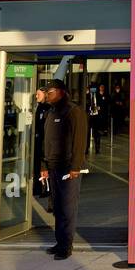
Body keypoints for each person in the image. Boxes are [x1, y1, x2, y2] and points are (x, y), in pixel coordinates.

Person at [39, 79, 87, 260]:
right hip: (53, 166)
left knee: (67, 208)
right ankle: (59, 242)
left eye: (50, 91)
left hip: (68, 168)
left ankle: (66, 246)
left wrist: (75, 166)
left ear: (60, 92)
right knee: (57, 208)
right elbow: (46, 141)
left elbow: (79, 141)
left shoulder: (74, 111)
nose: (47, 95)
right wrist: (44, 166)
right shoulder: (50, 112)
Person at [85, 81, 108, 156]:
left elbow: (103, 105)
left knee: (97, 133)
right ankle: (86, 148)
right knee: (87, 133)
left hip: (96, 116)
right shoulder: (87, 96)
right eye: (92, 89)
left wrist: (99, 108)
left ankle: (97, 149)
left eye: (94, 89)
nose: (93, 90)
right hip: (88, 116)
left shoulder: (99, 96)